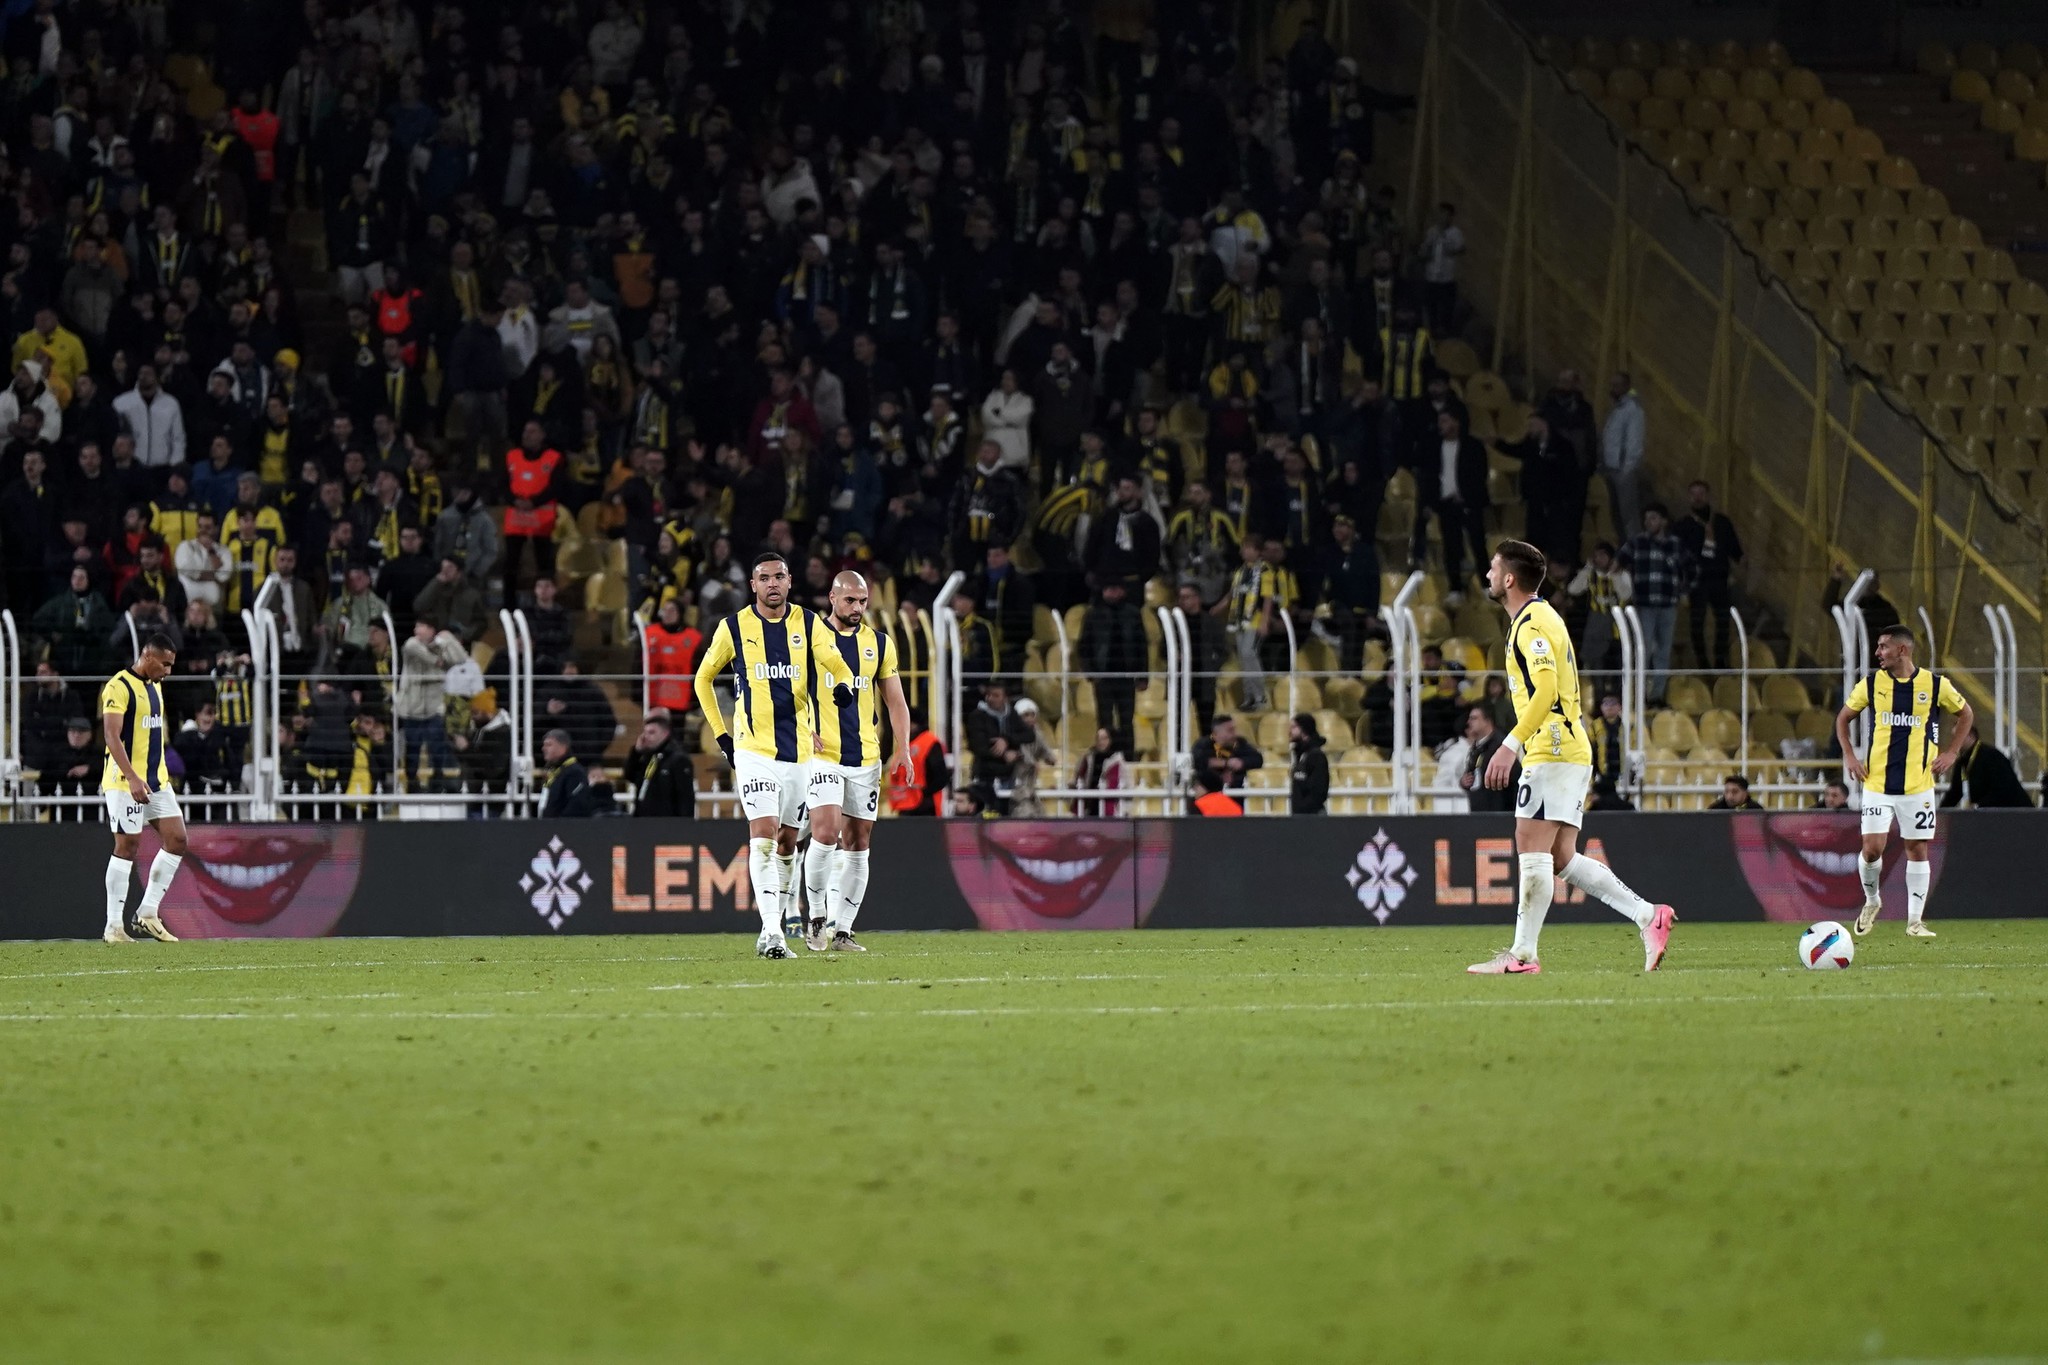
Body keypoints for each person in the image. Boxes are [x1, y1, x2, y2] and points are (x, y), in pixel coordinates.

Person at [1469, 540, 1676, 976]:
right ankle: (1648, 916)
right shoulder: (1542, 616)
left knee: (1530, 845)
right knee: (1561, 857)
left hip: (1553, 747)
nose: (1487, 575)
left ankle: (1523, 956)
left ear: (1509, 579)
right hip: (1568, 746)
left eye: (1492, 568)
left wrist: (1510, 743)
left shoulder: (1530, 625)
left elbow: (1545, 690)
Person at [692, 552, 859, 959]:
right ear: (753, 585)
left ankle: (779, 921)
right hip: (754, 751)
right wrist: (723, 737)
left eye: (779, 576)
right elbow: (702, 679)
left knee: (788, 842)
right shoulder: (733, 628)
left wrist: (842, 686)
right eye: (763, 577)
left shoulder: (807, 623)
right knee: (763, 836)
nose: (772, 583)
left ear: (789, 581)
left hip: (800, 754)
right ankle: (773, 934)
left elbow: (836, 661)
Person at [801, 572, 915, 953]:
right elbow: (789, 690)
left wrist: (904, 747)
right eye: (849, 600)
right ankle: (816, 916)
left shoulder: (879, 644)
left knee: (858, 841)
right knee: (826, 832)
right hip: (823, 755)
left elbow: (896, 701)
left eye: (862, 601)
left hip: (866, 757)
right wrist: (804, 728)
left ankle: (844, 930)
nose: (857, 608)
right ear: (832, 597)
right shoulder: (812, 639)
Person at [1837, 624, 1971, 939]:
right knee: (1872, 850)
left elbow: (1966, 714)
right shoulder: (1870, 685)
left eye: (1883, 646)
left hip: (1918, 785)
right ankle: (1872, 901)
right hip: (1877, 784)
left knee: (1917, 849)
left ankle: (1914, 921)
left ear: (1902, 650)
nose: (1877, 653)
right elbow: (1843, 718)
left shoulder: (1935, 685)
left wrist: (1952, 752)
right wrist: (1850, 756)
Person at [98, 634, 188, 943]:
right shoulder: (118, 687)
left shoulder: (156, 688)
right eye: (165, 664)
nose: (168, 671)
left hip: (156, 782)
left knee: (176, 839)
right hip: (125, 782)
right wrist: (133, 777)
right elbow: (111, 736)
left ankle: (147, 913)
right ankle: (113, 927)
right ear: (148, 657)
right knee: (127, 846)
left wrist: (153, 776)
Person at [1615, 504, 1691, 705]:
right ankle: (1638, 692)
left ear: (1664, 521)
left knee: (1663, 651)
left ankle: (1656, 695)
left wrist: (1683, 591)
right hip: (1645, 605)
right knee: (1643, 649)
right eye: (1647, 518)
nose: (1649, 522)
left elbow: (1691, 568)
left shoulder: (1675, 544)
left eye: (1654, 518)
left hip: (1668, 605)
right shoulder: (1636, 543)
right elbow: (1617, 563)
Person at [1675, 480, 1743, 672]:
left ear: (1708, 495)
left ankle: (1721, 661)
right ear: (1689, 497)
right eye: (1694, 493)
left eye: (1701, 493)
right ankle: (1702, 663)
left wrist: (1743, 563)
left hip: (1720, 579)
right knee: (1697, 623)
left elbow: (1735, 550)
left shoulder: (1721, 522)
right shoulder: (1683, 526)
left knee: (1723, 622)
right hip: (1696, 582)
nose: (1697, 497)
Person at [396, 619, 468, 791]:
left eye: (421, 626)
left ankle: (437, 781)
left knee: (437, 748)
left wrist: (449, 639)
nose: (416, 629)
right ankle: (412, 784)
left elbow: (460, 659)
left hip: (434, 708)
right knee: (412, 750)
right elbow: (424, 655)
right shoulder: (412, 644)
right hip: (412, 709)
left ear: (431, 629)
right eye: (416, 626)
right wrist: (439, 659)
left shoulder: (442, 644)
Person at [1941, 721, 2033, 809]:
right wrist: (1940, 813)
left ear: (1969, 735)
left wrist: (1979, 805)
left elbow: (2004, 788)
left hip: (2015, 812)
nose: (1954, 742)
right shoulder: (1963, 762)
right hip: (1989, 813)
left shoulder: (1991, 756)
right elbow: (1955, 793)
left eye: (1957, 737)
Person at [1600, 372, 1645, 540]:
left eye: (1617, 385)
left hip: (1623, 469)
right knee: (1617, 513)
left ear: (1627, 386)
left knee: (1629, 515)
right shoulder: (1618, 409)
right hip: (1612, 467)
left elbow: (1634, 440)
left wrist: (1627, 467)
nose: (1614, 389)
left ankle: (1634, 549)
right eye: (1612, 385)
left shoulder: (1632, 409)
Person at [627, 711, 694, 817]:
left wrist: (684, 827)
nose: (646, 737)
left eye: (652, 732)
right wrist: (636, 752)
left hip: (667, 824)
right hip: (643, 822)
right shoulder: (649, 757)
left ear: (665, 733)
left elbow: (685, 798)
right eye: (645, 733)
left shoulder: (678, 759)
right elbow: (630, 776)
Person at [1460, 703, 1513, 813]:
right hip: (1479, 813)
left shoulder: (1502, 746)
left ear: (1487, 721)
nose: (1469, 722)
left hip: (1499, 813)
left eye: (1474, 718)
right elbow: (1473, 774)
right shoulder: (1476, 747)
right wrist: (1464, 782)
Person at [537, 728, 600, 817]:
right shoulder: (555, 772)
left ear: (563, 747)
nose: (544, 748)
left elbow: (577, 805)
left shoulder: (574, 773)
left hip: (563, 828)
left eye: (549, 745)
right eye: (544, 745)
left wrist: (559, 825)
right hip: (550, 827)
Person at [1191, 713, 1263, 791]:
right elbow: (1197, 760)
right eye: (1230, 730)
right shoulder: (1204, 745)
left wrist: (1242, 763)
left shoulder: (1240, 743)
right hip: (1211, 792)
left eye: (1234, 729)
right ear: (1216, 734)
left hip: (1235, 792)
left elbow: (1258, 759)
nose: (1234, 734)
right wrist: (1226, 764)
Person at [1289, 713, 1329, 814]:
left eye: (1294, 727)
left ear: (1304, 730)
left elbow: (1319, 791)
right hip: (1301, 817)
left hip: (1312, 818)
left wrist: (1303, 810)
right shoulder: (1301, 755)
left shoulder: (1316, 756)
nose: (1290, 732)